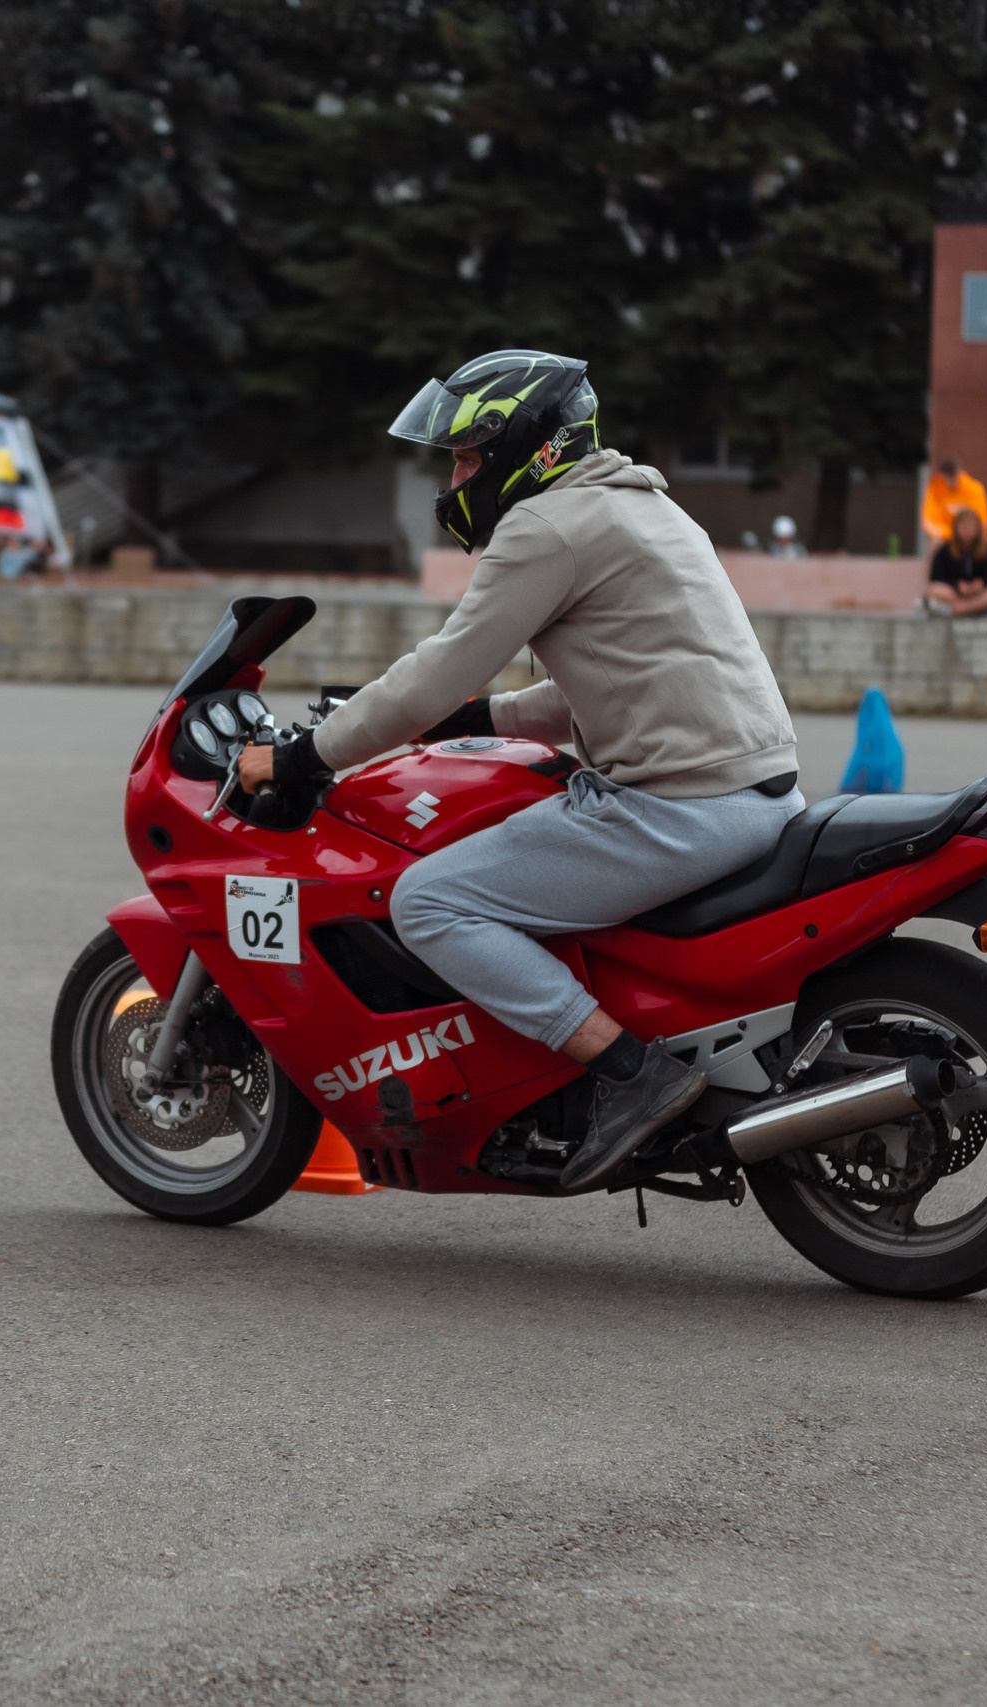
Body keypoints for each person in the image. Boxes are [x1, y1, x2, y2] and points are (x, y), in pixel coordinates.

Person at [234, 349, 802, 1194]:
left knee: (431, 900)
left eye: (465, 457)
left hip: (679, 808)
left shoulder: (546, 526)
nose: (456, 477)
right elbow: (618, 690)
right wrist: (478, 717)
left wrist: (299, 756)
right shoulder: (643, 508)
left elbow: (431, 672)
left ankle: (627, 1073)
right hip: (754, 793)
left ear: (524, 449)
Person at [925, 507, 987, 616]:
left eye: (971, 527)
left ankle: (960, 609)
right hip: (955, 593)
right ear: (956, 527)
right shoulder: (945, 550)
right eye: (964, 526)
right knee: (935, 590)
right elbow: (936, 578)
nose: (968, 531)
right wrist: (957, 585)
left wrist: (980, 584)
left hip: (977, 594)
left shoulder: (985, 550)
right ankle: (974, 609)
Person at [921, 456, 987, 552]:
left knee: (982, 543)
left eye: (955, 477)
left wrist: (963, 510)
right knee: (935, 542)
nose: (953, 482)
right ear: (942, 476)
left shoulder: (974, 488)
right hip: (946, 534)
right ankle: (932, 567)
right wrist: (938, 532)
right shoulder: (937, 488)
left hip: (970, 533)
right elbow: (928, 518)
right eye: (948, 478)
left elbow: (985, 522)